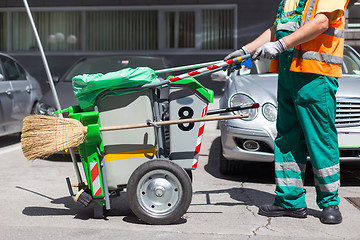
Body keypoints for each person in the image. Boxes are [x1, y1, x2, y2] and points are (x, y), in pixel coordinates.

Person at [225, 0, 349, 224]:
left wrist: (280, 45)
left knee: (320, 139)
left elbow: (321, 22)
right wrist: (247, 50)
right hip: (289, 72)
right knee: (287, 138)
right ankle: (290, 201)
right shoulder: (289, 0)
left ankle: (330, 203)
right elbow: (277, 29)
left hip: (316, 75)